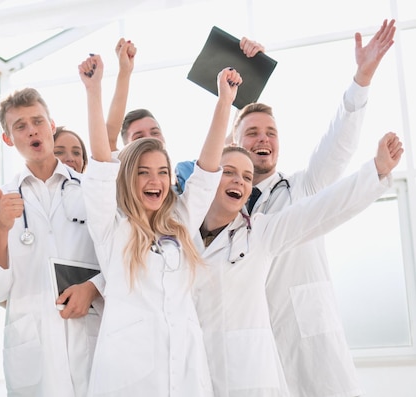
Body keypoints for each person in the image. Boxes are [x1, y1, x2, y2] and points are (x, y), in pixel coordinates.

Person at [180, 18, 397, 396]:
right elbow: (204, 164)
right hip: (244, 351)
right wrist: (237, 76)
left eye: (271, 133)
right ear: (234, 141)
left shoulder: (303, 188)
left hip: (306, 342)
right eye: (252, 133)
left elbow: (339, 144)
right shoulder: (213, 210)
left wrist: (362, 78)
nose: (263, 139)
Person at [79, 53, 241, 396]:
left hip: (184, 369)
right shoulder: (112, 226)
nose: (156, 180)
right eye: (143, 172)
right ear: (127, 178)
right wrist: (94, 92)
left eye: (163, 172)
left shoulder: (180, 222)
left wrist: (225, 102)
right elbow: (100, 163)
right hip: (128, 374)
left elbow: (208, 171)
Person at [194, 133, 402, 396]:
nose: (239, 180)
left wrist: (376, 170)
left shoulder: (259, 234)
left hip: (249, 378)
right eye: (229, 172)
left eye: (247, 177)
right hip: (197, 376)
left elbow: (321, 209)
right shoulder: (181, 235)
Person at [0, 86, 105, 397]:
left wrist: (95, 287)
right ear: (8, 138)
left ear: (51, 126)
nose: (32, 130)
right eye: (20, 126)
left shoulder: (91, 191)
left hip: (93, 334)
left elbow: (122, 258)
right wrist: (1, 230)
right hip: (34, 351)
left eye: (37, 121)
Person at [107, 37, 264, 153]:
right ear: (123, 150)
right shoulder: (117, 180)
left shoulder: (186, 182)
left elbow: (231, 141)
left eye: (155, 132)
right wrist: (124, 72)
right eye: (138, 137)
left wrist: (253, 66)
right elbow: (108, 139)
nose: (150, 139)